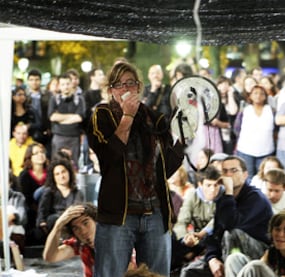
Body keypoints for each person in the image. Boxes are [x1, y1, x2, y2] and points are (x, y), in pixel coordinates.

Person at [87, 61, 184, 277]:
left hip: (155, 213)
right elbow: (108, 158)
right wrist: (127, 118)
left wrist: (183, 141)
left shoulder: (154, 117)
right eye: (119, 84)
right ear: (110, 90)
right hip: (118, 215)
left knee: (156, 275)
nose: (125, 89)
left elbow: (164, 169)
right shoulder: (101, 115)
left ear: (139, 87)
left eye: (130, 83)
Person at [180, 155, 273, 277]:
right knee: (189, 272)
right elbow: (216, 232)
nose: (229, 175)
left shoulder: (256, 198)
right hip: (227, 251)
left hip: (256, 256)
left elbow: (231, 224)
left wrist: (228, 193)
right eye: (224, 171)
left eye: (234, 170)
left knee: (232, 234)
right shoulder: (224, 198)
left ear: (245, 175)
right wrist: (212, 258)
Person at [172, 166, 223, 271]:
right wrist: (185, 238)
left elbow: (218, 220)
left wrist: (201, 234)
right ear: (200, 185)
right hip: (196, 239)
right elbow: (182, 221)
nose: (213, 189)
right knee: (172, 239)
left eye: (216, 185)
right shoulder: (192, 195)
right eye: (208, 185)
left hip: (216, 239)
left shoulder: (225, 196)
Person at [225, 211, 285, 277]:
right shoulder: (272, 251)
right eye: (277, 229)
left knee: (256, 266)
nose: (280, 234)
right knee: (234, 258)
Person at [43, 204, 97, 277]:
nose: (83, 231)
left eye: (86, 223)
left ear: (96, 222)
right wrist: (58, 226)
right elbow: (51, 257)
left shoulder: (114, 241)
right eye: (76, 228)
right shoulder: (81, 244)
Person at [234, 85, 276, 178]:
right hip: (246, 150)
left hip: (266, 150)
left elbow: (276, 129)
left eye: (261, 94)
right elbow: (236, 128)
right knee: (247, 178)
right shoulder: (245, 110)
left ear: (265, 96)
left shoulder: (271, 110)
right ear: (250, 96)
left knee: (264, 177)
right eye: (255, 93)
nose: (258, 96)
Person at [37, 158, 84, 235]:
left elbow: (77, 211)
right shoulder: (49, 192)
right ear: (53, 177)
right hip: (52, 226)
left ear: (69, 172)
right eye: (57, 174)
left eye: (63, 172)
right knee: (52, 219)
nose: (61, 176)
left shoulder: (77, 192)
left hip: (72, 224)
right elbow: (42, 213)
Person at [48, 73, 86, 169]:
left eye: (68, 84)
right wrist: (72, 117)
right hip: (58, 136)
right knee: (57, 165)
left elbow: (79, 118)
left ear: (72, 84)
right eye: (63, 84)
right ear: (59, 86)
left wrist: (60, 118)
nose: (66, 87)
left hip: (74, 138)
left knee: (75, 166)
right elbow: (52, 117)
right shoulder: (54, 99)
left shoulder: (79, 99)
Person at [19, 142, 49, 245]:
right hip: (31, 212)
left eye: (42, 152)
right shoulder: (24, 175)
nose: (40, 155)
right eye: (36, 153)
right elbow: (26, 199)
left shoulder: (51, 172)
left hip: (48, 209)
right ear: (29, 157)